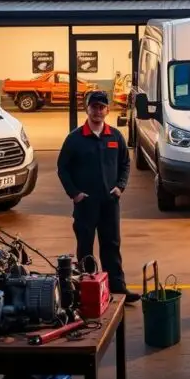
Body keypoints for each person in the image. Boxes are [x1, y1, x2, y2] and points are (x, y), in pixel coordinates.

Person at [57, 91, 140, 304]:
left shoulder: (115, 136)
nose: (98, 111)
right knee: (85, 247)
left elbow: (125, 164)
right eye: (94, 107)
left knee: (111, 246)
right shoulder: (75, 139)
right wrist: (75, 194)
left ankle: (118, 289)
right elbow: (63, 168)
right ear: (87, 109)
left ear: (107, 110)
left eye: (102, 107)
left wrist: (120, 187)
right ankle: (87, 292)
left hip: (109, 203)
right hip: (86, 204)